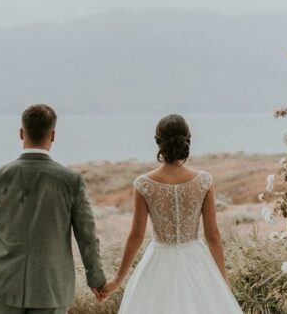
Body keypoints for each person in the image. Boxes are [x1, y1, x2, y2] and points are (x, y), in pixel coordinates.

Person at [0, 103, 108, 314]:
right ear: (52, 135)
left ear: (21, 133)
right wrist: (96, 279)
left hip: (3, 285)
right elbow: (87, 236)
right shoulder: (71, 180)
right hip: (51, 288)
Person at [103, 114, 244, 313]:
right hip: (196, 261)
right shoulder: (204, 181)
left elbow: (136, 236)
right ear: (188, 140)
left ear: (158, 142)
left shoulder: (144, 184)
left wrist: (117, 280)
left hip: (158, 262)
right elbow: (212, 235)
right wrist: (222, 280)